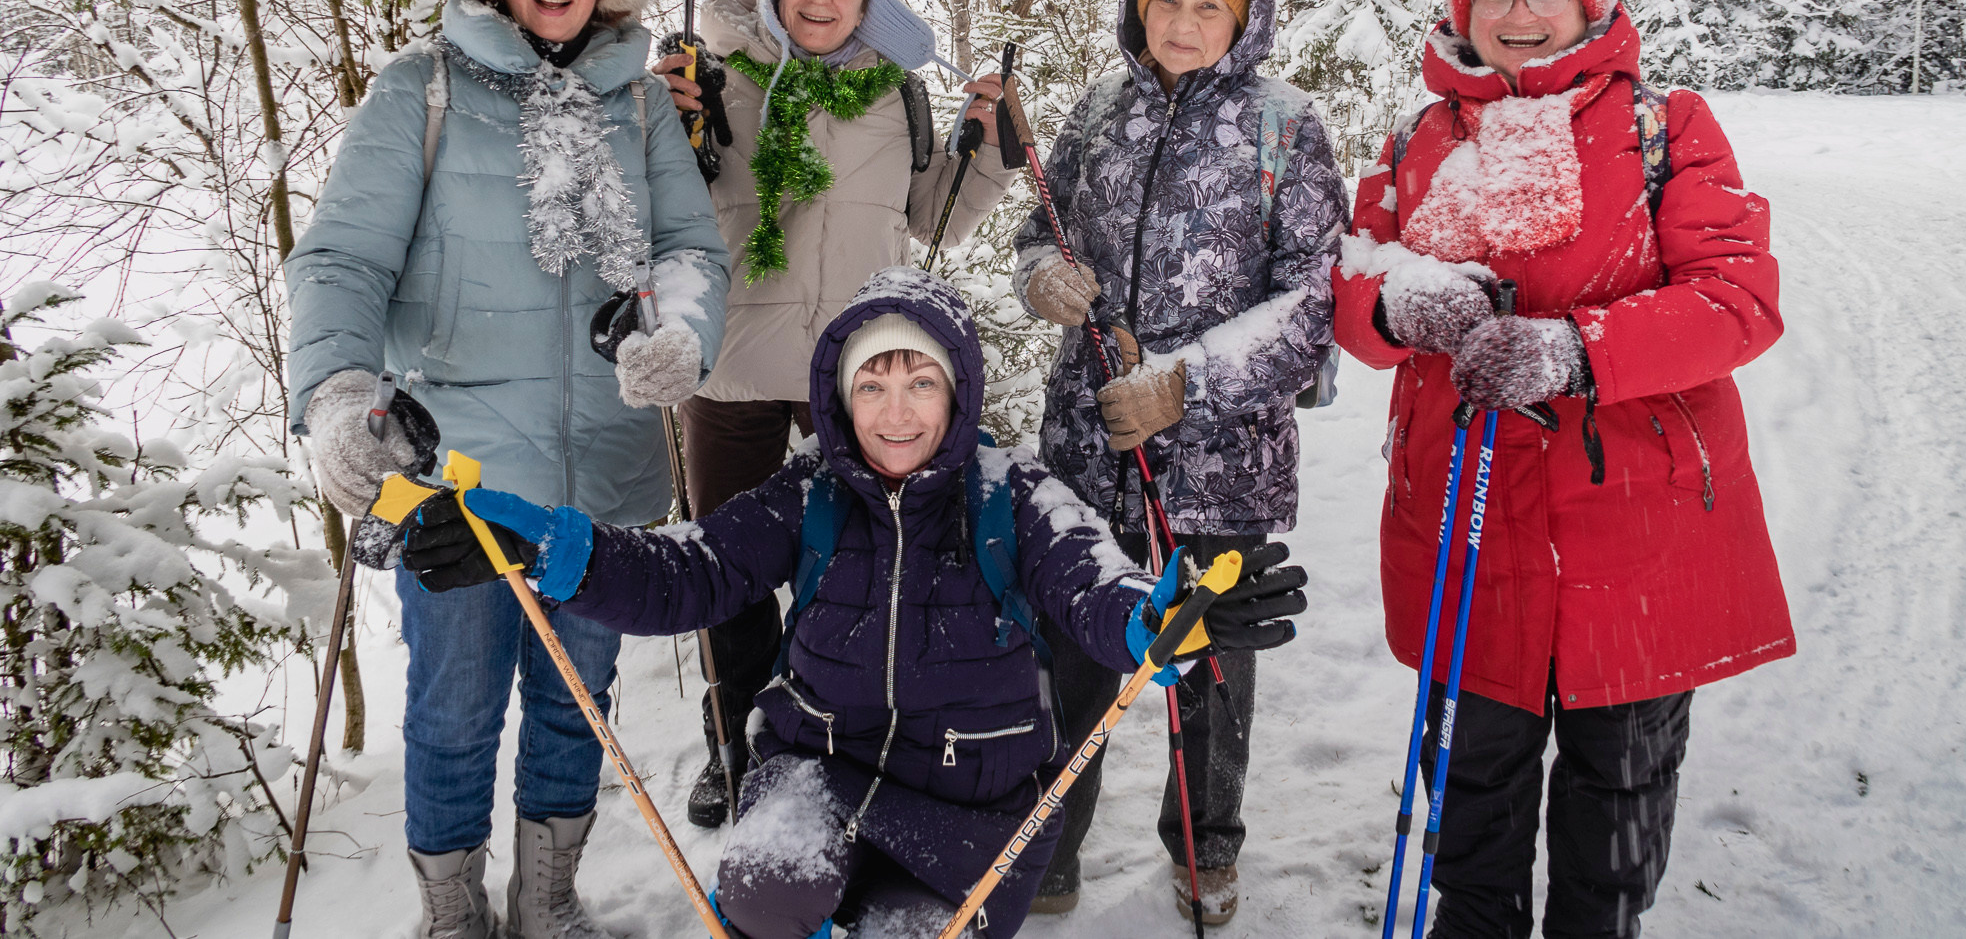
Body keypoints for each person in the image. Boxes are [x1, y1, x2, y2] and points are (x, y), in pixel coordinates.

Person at [394, 268, 1310, 939]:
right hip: (817, 779)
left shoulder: (1015, 495)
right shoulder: (812, 491)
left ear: (958, 391)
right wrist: (545, 546)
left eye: (920, 384)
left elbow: (1097, 588)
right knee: (765, 888)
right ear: (841, 398)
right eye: (872, 385)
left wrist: (1162, 617)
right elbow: (688, 571)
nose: (895, 412)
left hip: (971, 815)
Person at [286, 0, 731, 939]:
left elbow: (690, 250)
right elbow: (342, 260)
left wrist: (680, 334)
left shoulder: (640, 104)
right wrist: (337, 393)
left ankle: (547, 902)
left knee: (577, 707)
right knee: (451, 714)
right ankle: (451, 914)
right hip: (455, 477)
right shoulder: (421, 89)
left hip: (601, 478)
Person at [1331, 0, 1794, 939]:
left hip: (1633, 529)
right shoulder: (1416, 138)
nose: (1519, 12)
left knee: (1618, 788)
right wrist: (1396, 304)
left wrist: (1577, 351)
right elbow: (1351, 285)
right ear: (1463, 8)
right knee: (1471, 777)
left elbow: (1737, 299)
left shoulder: (1665, 127)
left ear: (1590, 3)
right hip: (1465, 521)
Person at [1012, 0, 1350, 922]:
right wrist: (1042, 275)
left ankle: (1205, 848)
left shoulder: (1285, 126)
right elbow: (1040, 227)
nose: (1184, 22)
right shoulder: (1098, 110)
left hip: (1217, 466)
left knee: (1206, 667)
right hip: (1086, 450)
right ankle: (1049, 847)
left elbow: (1312, 301)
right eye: (1166, 0)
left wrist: (1184, 385)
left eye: (1210, 5)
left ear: (1246, 19)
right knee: (1071, 656)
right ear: (1137, 5)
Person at [651, 0, 1015, 825]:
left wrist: (993, 148)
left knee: (857, 566)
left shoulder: (898, 94)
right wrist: (657, 118)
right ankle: (732, 740)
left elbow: (933, 219)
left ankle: (836, 733)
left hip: (853, 373)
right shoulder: (713, 73)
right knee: (726, 573)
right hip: (731, 365)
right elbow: (658, 197)